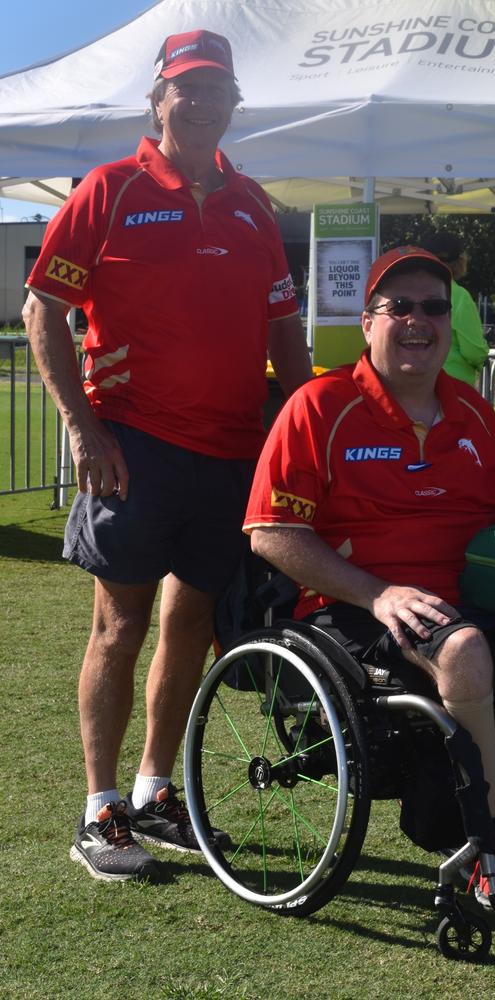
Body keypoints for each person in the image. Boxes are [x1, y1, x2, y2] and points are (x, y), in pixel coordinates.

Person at [22, 29, 313, 883]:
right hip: (135, 449)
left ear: (232, 104)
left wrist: (294, 437)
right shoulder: (108, 190)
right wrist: (84, 427)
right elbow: (44, 309)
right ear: (158, 100)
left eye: (217, 87)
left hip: (229, 454)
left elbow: (284, 333)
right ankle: (100, 809)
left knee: (193, 625)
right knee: (120, 625)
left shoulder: (255, 203)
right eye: (186, 88)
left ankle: (155, 791)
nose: (202, 101)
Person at [243, 246, 495, 911]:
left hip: (466, 601)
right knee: (462, 646)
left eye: (434, 307)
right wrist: (377, 592)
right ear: (368, 322)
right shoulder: (319, 407)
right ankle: (488, 840)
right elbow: (270, 533)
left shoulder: (469, 411)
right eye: (399, 306)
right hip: (354, 609)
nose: (419, 320)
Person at [419, 231, 489, 386]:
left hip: (415, 386)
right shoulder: (458, 296)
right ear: (460, 261)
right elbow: (474, 352)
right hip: (453, 387)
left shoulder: (408, 292)